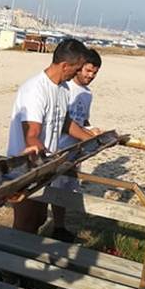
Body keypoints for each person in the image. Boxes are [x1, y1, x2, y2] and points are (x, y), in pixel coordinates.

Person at [7, 38, 99, 238]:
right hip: (27, 167)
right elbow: (31, 135)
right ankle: (8, 268)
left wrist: (91, 139)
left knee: (39, 218)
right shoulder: (35, 90)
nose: (77, 73)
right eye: (76, 69)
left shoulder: (63, 89)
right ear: (65, 65)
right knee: (25, 222)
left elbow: (65, 123)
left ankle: (25, 261)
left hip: (45, 166)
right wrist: (45, 160)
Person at [49, 48, 104, 240]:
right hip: (60, 147)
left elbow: (83, 121)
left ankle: (59, 226)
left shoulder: (88, 94)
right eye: (88, 71)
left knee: (66, 189)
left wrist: (92, 130)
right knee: (54, 187)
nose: (91, 76)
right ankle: (54, 226)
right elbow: (64, 123)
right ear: (79, 68)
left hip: (77, 149)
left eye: (95, 73)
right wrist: (88, 135)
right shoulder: (66, 89)